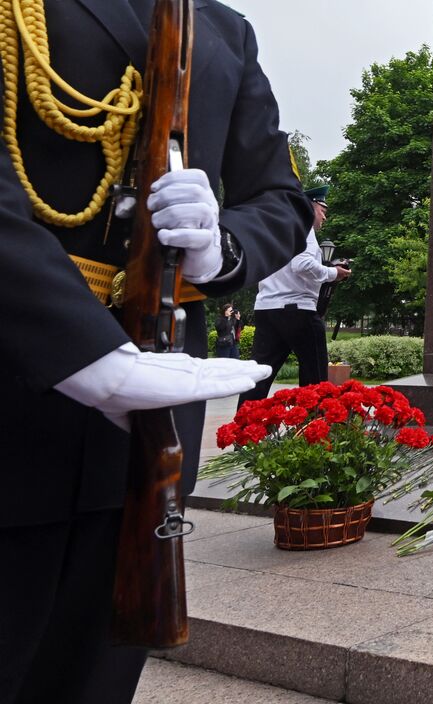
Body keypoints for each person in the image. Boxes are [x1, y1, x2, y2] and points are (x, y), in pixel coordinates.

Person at [0, 2, 309, 700]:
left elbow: (278, 199)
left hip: (147, 429)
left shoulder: (223, 30)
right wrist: (87, 354)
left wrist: (220, 245)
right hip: (18, 386)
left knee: (93, 680)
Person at [238, 186, 350, 403]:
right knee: (314, 377)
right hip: (297, 310)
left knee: (260, 375)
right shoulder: (303, 225)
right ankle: (312, 428)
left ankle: (241, 430)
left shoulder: (274, 231)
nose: (324, 216)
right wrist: (332, 272)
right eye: (322, 209)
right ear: (310, 207)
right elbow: (302, 264)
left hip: (267, 308)